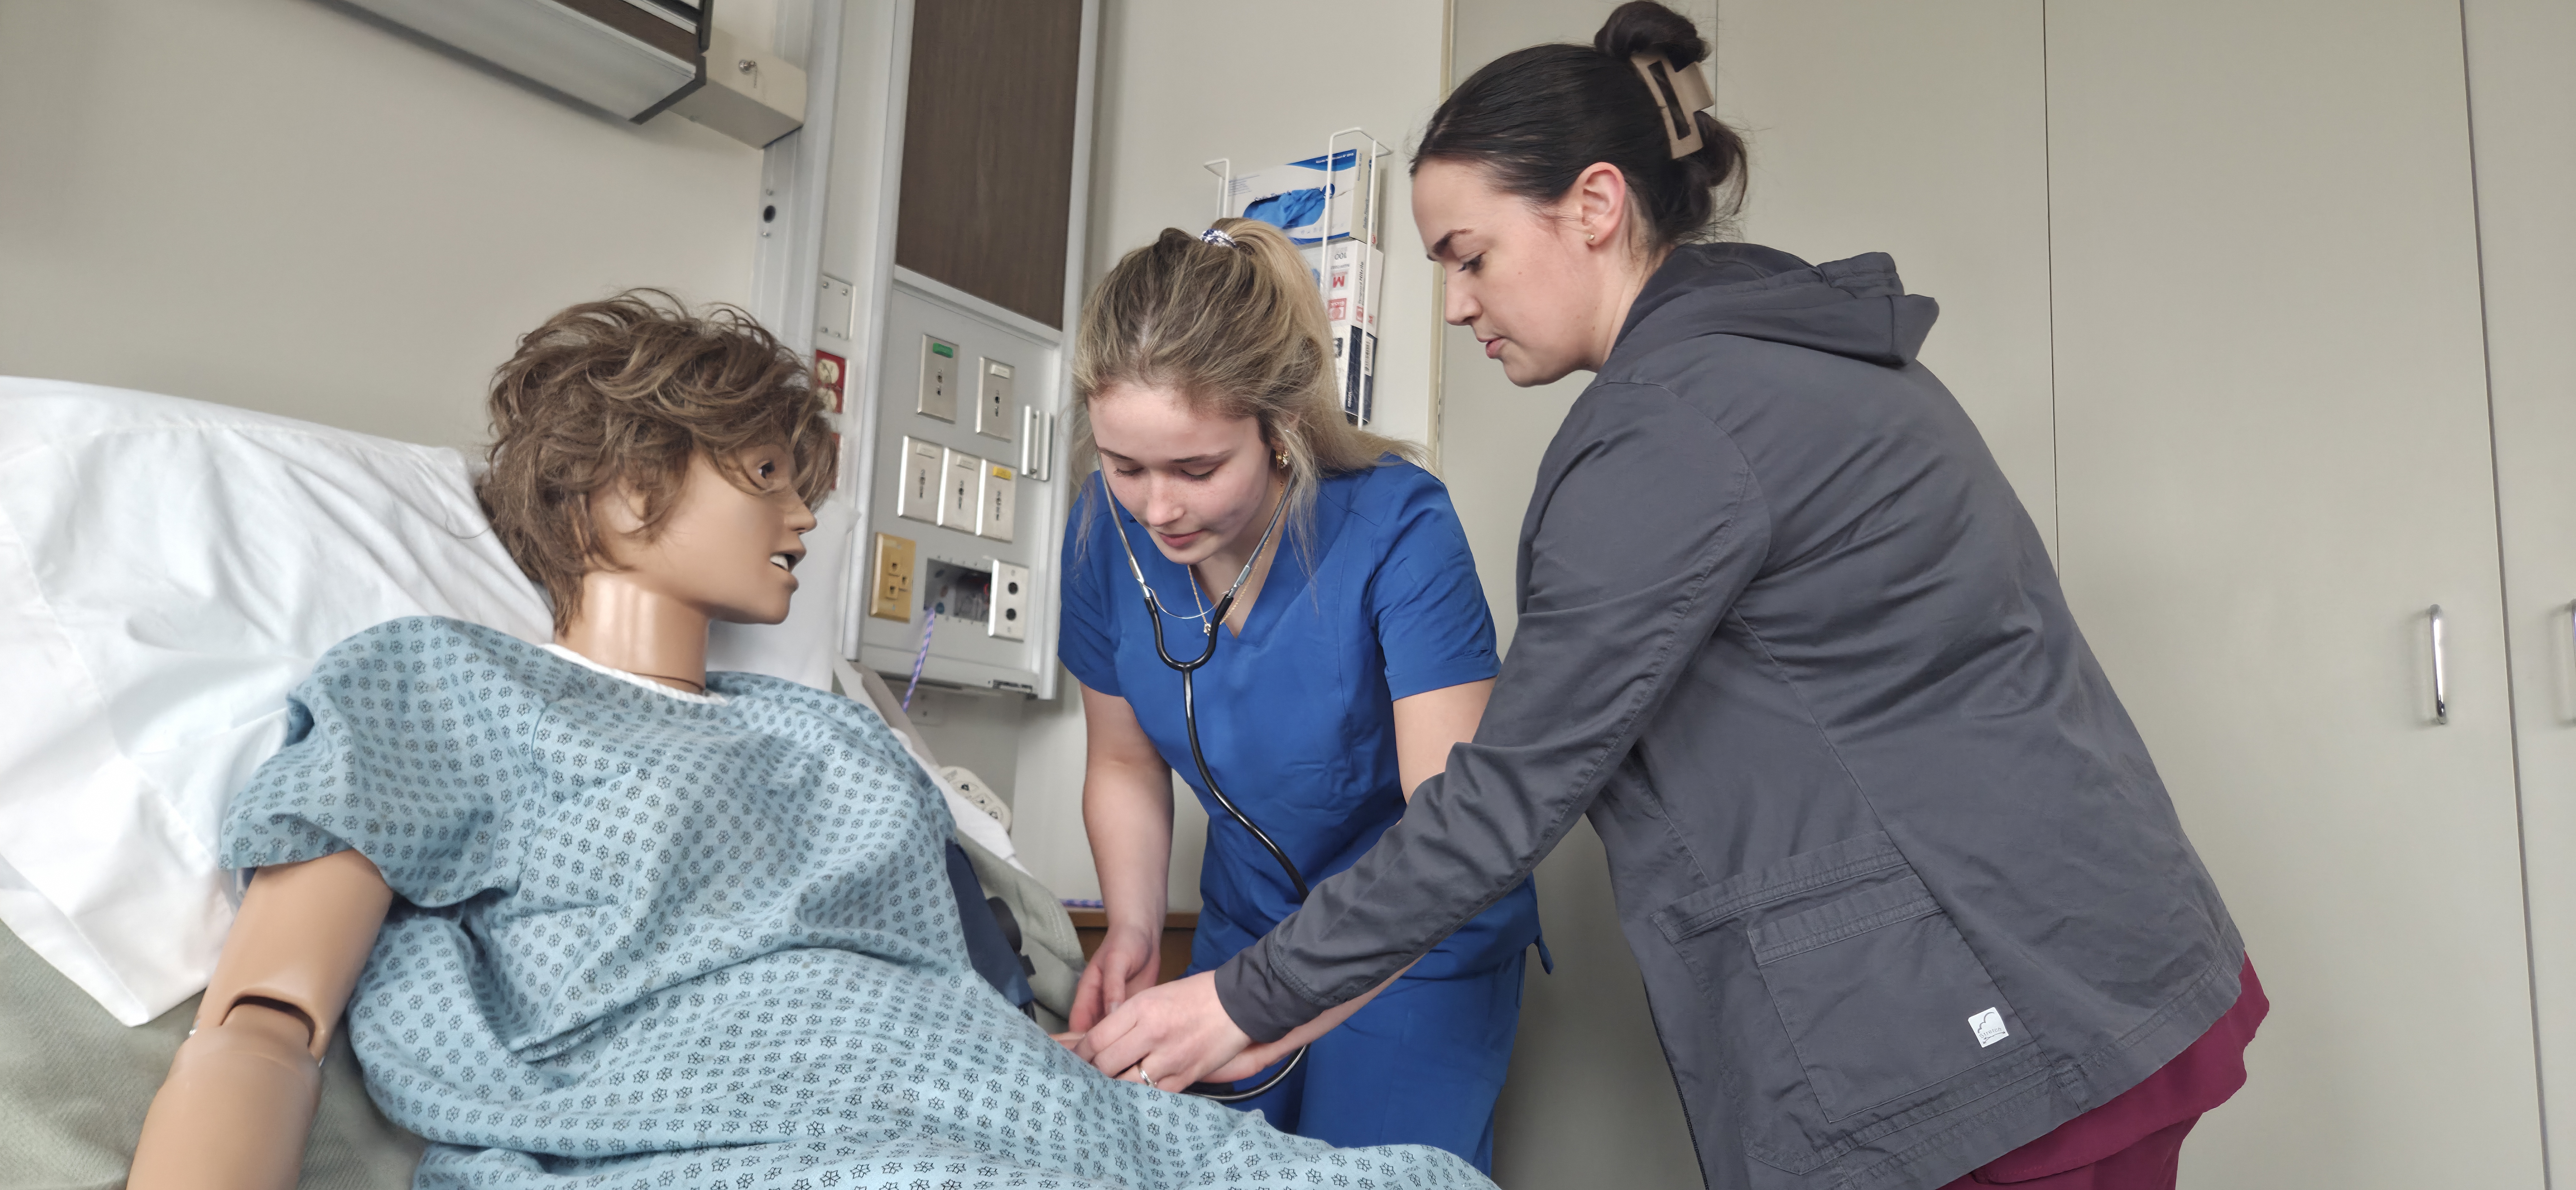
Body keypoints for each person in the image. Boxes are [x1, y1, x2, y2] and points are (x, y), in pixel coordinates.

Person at [1071, 5, 2268, 1190]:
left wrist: (1244, 1003)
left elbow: (1502, 798)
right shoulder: (1791, 349)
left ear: (1596, 205)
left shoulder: (1670, 432)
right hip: (2091, 951)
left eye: (1470, 256)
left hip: (1988, 1005)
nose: (1456, 306)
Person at [124, 292, 1493, 1190]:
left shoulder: (830, 740)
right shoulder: (442, 686)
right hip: (786, 1138)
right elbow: (267, 1018)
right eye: (772, 475)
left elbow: (954, 994)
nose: (805, 516)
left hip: (1031, 1101)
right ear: (620, 490)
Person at [1055, 217, 1535, 1172]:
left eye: (1196, 469)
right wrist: (1137, 925)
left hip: (1416, 939)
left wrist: (1265, 1003)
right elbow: (1120, 759)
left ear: (1281, 430)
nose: (1157, 509)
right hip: (1242, 926)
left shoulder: (1399, 528)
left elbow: (1455, 825)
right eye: (1125, 468)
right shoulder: (1104, 537)